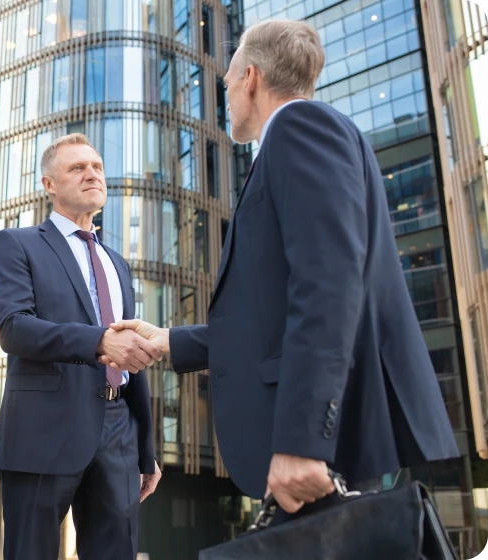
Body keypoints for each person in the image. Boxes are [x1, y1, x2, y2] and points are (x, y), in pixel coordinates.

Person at [107, 19, 459, 525]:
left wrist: (301, 440)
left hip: (324, 443)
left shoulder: (299, 129)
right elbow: (273, 317)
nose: (225, 93)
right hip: (328, 437)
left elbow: (328, 287)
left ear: (250, 77)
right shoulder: (303, 138)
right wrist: (167, 341)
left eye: (226, 80)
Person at [0, 133, 163, 559]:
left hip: (119, 430)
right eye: (77, 168)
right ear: (49, 184)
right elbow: (14, 328)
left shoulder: (117, 263)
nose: (92, 174)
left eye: (97, 167)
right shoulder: (16, 243)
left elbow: (131, 353)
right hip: (42, 428)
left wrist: (145, 449)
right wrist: (99, 340)